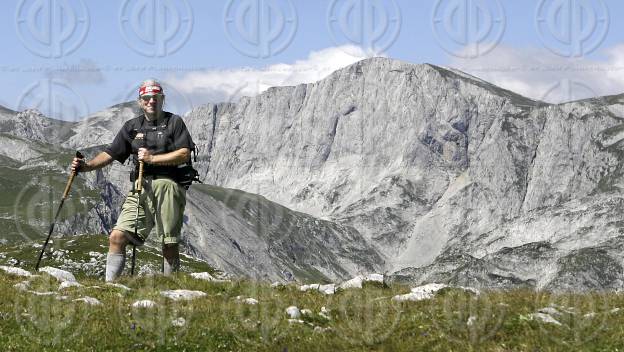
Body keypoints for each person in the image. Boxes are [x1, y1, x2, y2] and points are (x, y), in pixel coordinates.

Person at [71, 79, 194, 281]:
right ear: (140, 101)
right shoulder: (132, 127)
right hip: (140, 186)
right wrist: (87, 167)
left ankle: (172, 287)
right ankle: (110, 287)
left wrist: (152, 158)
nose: (151, 101)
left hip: (169, 185)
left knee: (169, 242)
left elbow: (184, 154)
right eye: (146, 98)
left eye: (156, 98)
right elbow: (111, 153)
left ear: (162, 100)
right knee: (117, 236)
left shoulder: (174, 122)